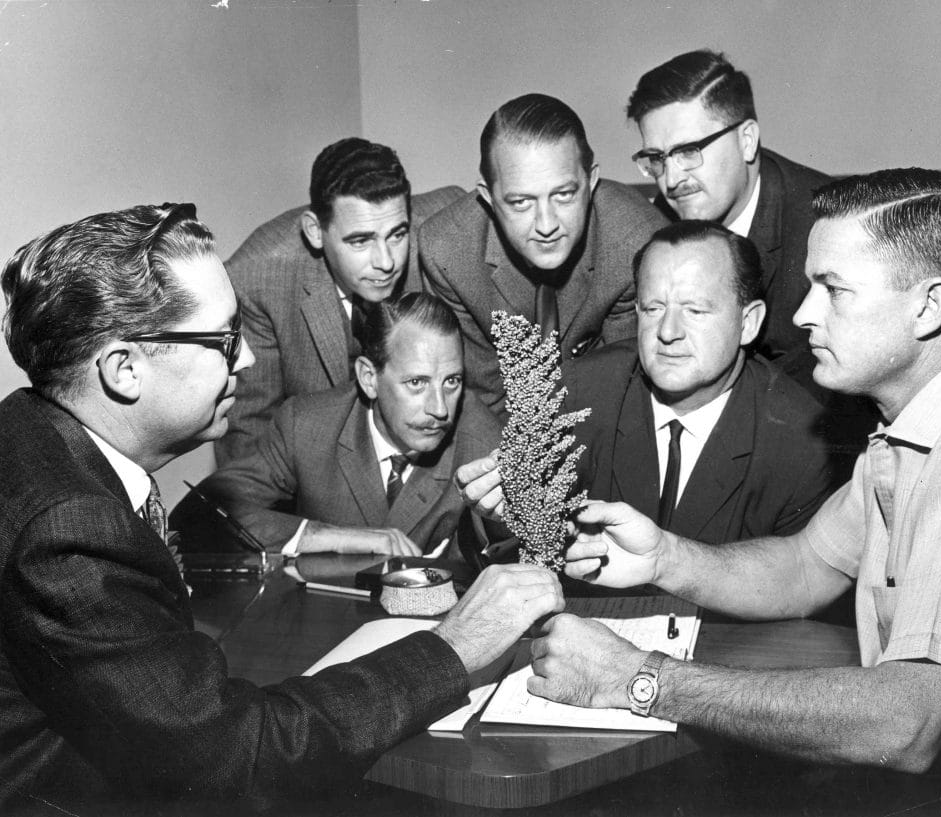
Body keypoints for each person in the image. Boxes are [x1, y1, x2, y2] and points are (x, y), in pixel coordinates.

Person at [0, 204, 563, 814]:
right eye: (224, 340)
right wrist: (455, 648)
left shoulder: (29, 440)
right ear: (124, 369)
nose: (246, 360)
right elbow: (240, 757)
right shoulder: (69, 529)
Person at [524, 170, 941, 816]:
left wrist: (640, 678)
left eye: (833, 290)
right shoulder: (913, 435)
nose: (805, 312)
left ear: (929, 306)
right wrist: (665, 556)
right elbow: (807, 565)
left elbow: (907, 722)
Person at [464, 220, 837, 547]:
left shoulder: (799, 443)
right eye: (653, 308)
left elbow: (797, 601)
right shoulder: (576, 396)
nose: (668, 332)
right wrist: (501, 516)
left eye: (695, 310)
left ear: (749, 323)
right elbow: (522, 548)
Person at [172, 292, 502, 558]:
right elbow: (200, 515)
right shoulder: (307, 425)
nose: (440, 408)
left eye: (452, 381)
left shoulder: (483, 439)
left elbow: (517, 553)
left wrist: (499, 525)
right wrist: (328, 536)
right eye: (417, 382)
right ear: (369, 378)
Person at [216, 137, 464, 465]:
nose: (386, 262)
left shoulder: (445, 231)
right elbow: (251, 439)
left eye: (397, 234)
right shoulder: (257, 281)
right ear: (315, 232)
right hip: (316, 471)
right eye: (361, 241)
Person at [419, 93, 669, 414]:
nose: (547, 225)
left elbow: (623, 392)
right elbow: (484, 399)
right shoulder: (448, 252)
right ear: (487, 197)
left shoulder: (638, 242)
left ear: (590, 181)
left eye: (564, 194)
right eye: (521, 202)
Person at [627, 49, 832, 373]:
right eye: (656, 158)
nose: (670, 179)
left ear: (747, 140)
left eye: (688, 151)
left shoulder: (824, 227)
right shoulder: (654, 223)